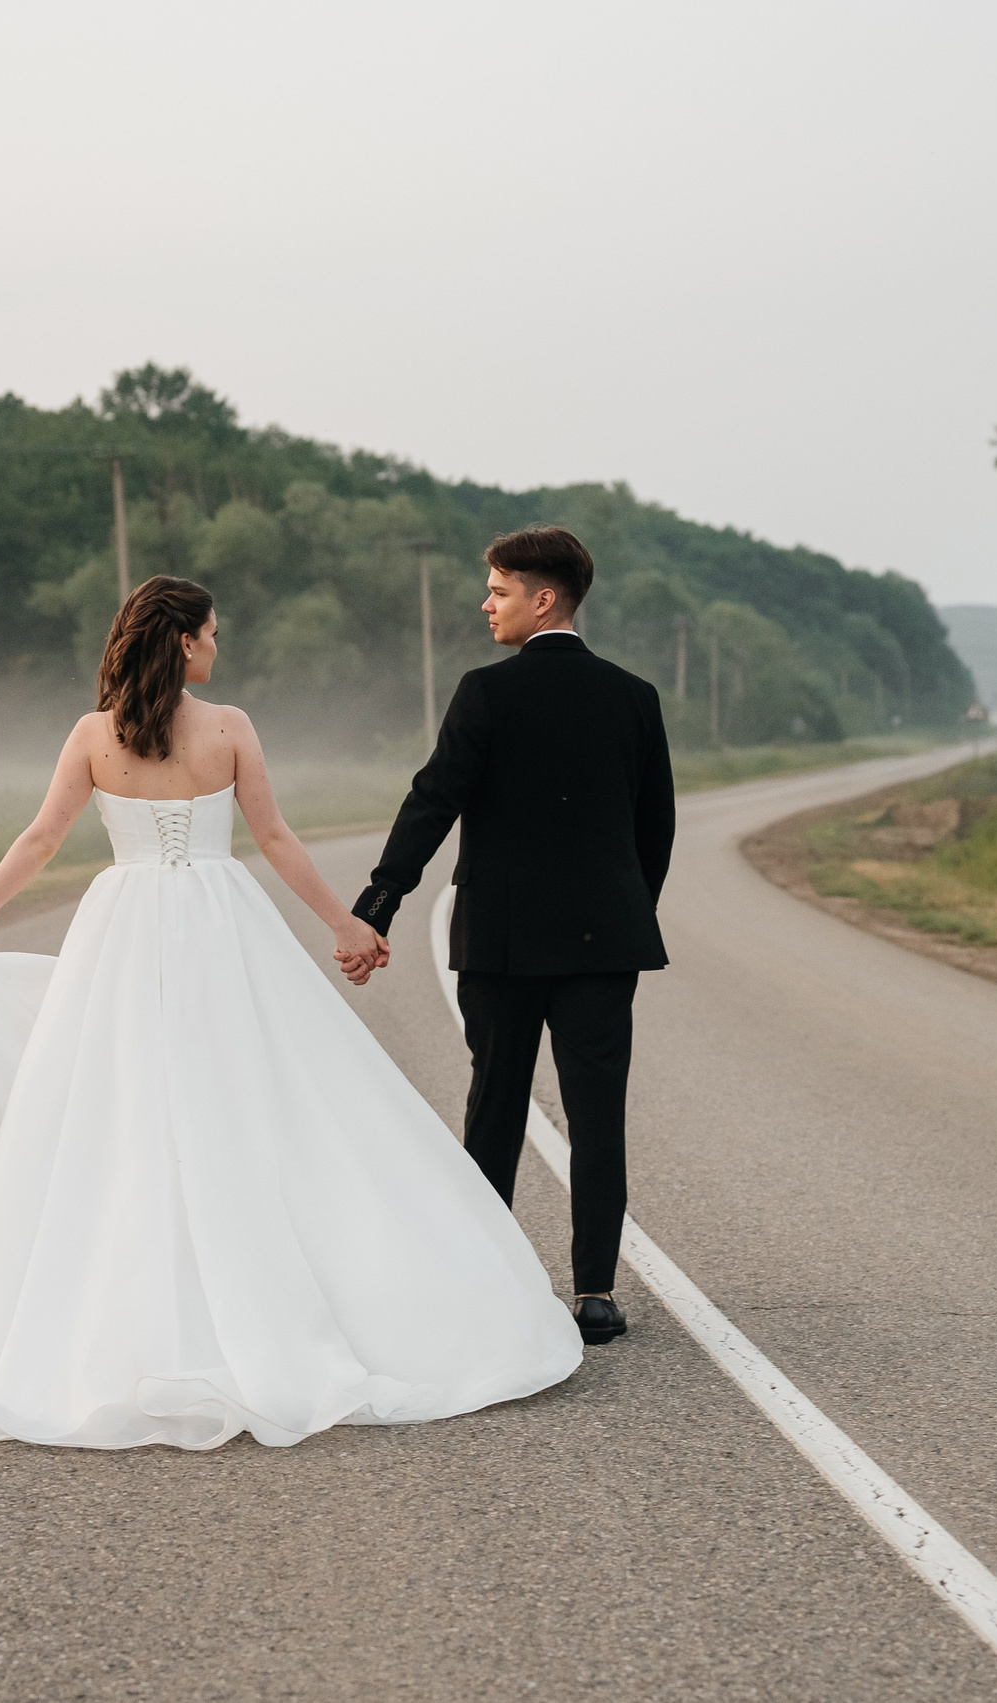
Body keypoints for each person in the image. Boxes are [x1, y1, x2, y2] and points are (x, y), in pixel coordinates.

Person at [0, 574, 583, 1450]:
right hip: (219, 921)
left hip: (121, 925)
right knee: (247, 1095)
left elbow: (39, 839)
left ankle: (129, 1304)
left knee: (120, 1108)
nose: (218, 645)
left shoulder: (94, 734)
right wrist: (347, 924)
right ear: (186, 641)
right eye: (214, 633)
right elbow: (274, 838)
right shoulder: (229, 727)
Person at [350, 525, 675, 1347]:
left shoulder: (484, 693)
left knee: (495, 1104)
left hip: (499, 940)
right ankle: (596, 1294)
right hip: (604, 943)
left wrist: (379, 902)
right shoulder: (634, 696)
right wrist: (625, 912)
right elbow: (655, 830)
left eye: (497, 590)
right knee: (598, 1114)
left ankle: (486, 1285)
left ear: (544, 598)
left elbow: (432, 801)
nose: (484, 603)